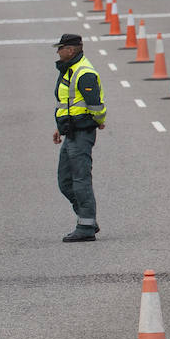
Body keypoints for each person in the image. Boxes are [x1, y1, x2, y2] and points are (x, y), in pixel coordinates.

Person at [51, 33, 105, 242]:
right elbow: (66, 104)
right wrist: (60, 127)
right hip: (70, 132)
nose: (58, 51)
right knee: (65, 181)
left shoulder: (84, 72)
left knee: (80, 180)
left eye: (60, 48)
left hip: (82, 133)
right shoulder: (70, 70)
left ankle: (86, 226)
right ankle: (88, 218)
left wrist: (98, 120)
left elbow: (96, 105)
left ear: (71, 50)